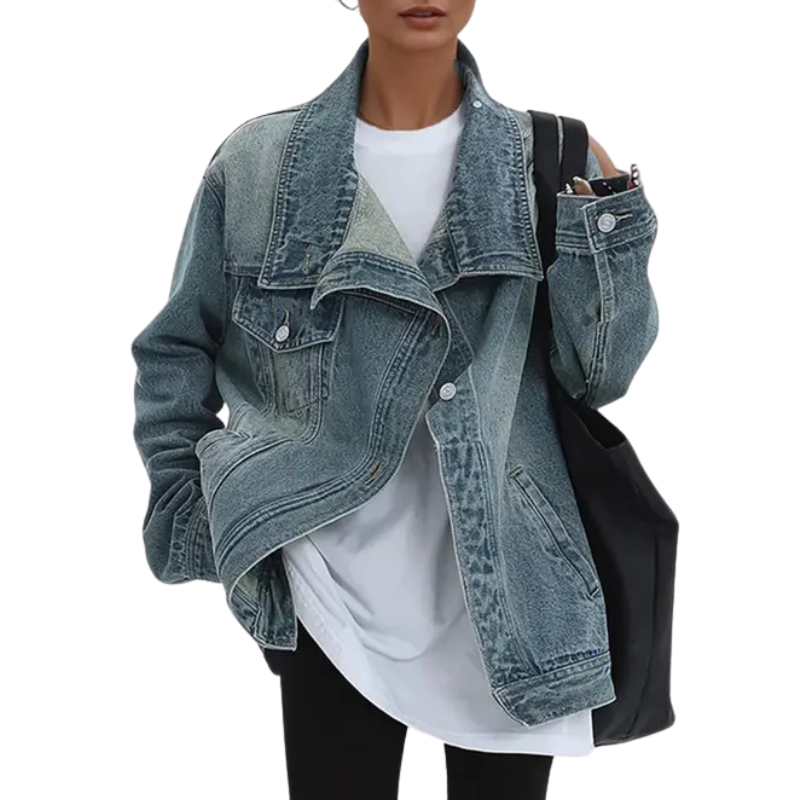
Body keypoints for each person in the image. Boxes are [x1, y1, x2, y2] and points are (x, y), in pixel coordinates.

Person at [131, 1, 659, 798]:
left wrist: (607, 228)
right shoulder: (258, 166)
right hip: (326, 583)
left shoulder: (550, 157)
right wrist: (192, 513)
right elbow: (177, 348)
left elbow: (599, 379)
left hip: (515, 590)